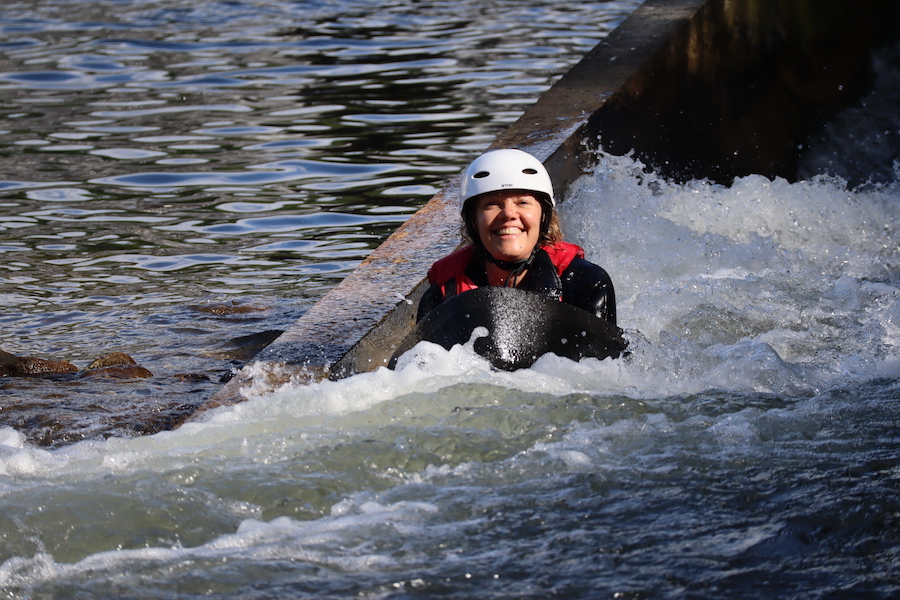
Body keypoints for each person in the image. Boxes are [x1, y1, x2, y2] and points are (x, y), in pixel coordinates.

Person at [417, 148, 617, 325]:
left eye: (522, 202)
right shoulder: (443, 295)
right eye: (491, 204)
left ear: (544, 216)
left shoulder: (586, 284)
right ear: (473, 221)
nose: (508, 214)